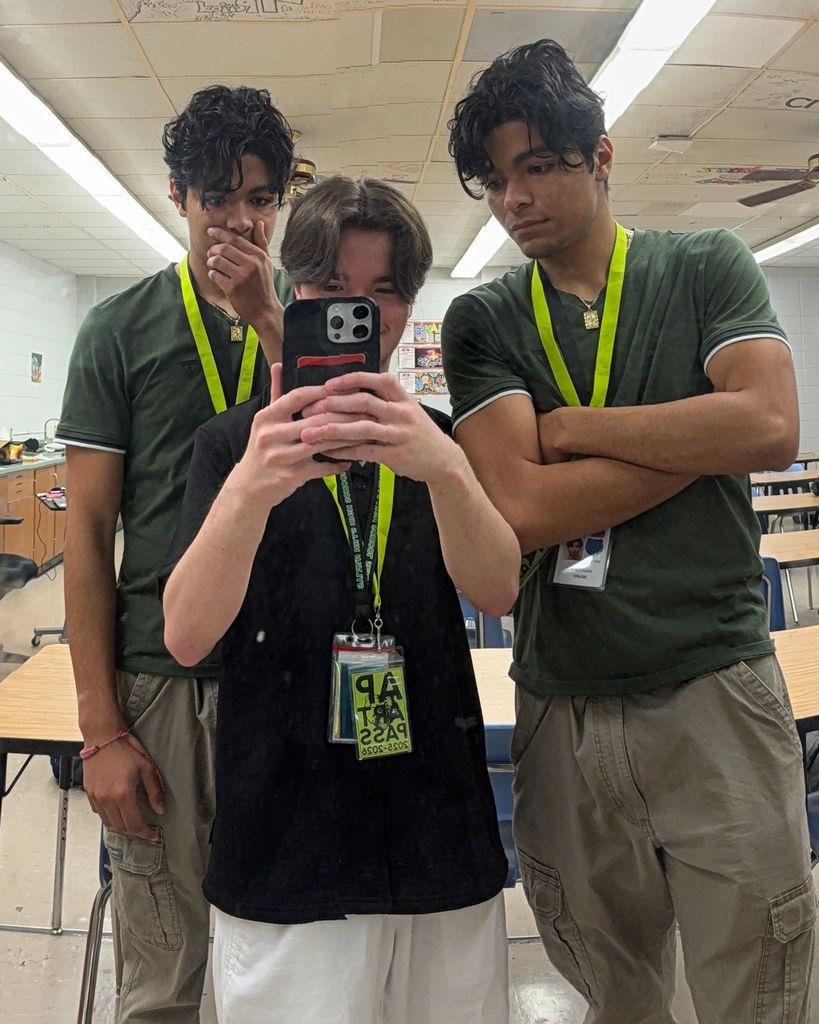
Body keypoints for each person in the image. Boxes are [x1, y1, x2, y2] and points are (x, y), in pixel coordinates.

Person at [441, 39, 815, 1024]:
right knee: (614, 990)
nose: (512, 198)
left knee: (755, 981)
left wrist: (570, 430)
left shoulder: (703, 267)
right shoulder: (482, 319)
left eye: (536, 166)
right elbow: (518, 508)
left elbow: (769, 429)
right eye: (493, 180)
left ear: (598, 158)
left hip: (712, 687)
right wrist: (695, 430)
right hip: (561, 703)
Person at [161, 175, 520, 1024]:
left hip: (436, 827)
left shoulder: (439, 441)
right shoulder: (230, 445)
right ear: (292, 294)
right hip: (286, 837)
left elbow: (498, 586)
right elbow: (184, 637)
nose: (361, 315)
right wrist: (250, 490)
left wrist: (444, 469)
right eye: (331, 292)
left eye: (385, 293)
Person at [56, 85, 294, 1022]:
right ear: (178, 197)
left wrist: (275, 318)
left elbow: (358, 468)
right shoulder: (120, 331)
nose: (239, 218)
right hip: (160, 686)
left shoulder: (306, 324)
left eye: (262, 198)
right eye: (216, 195)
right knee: (164, 971)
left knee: (285, 950)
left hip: (285, 675)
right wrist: (100, 730)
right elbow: (85, 535)